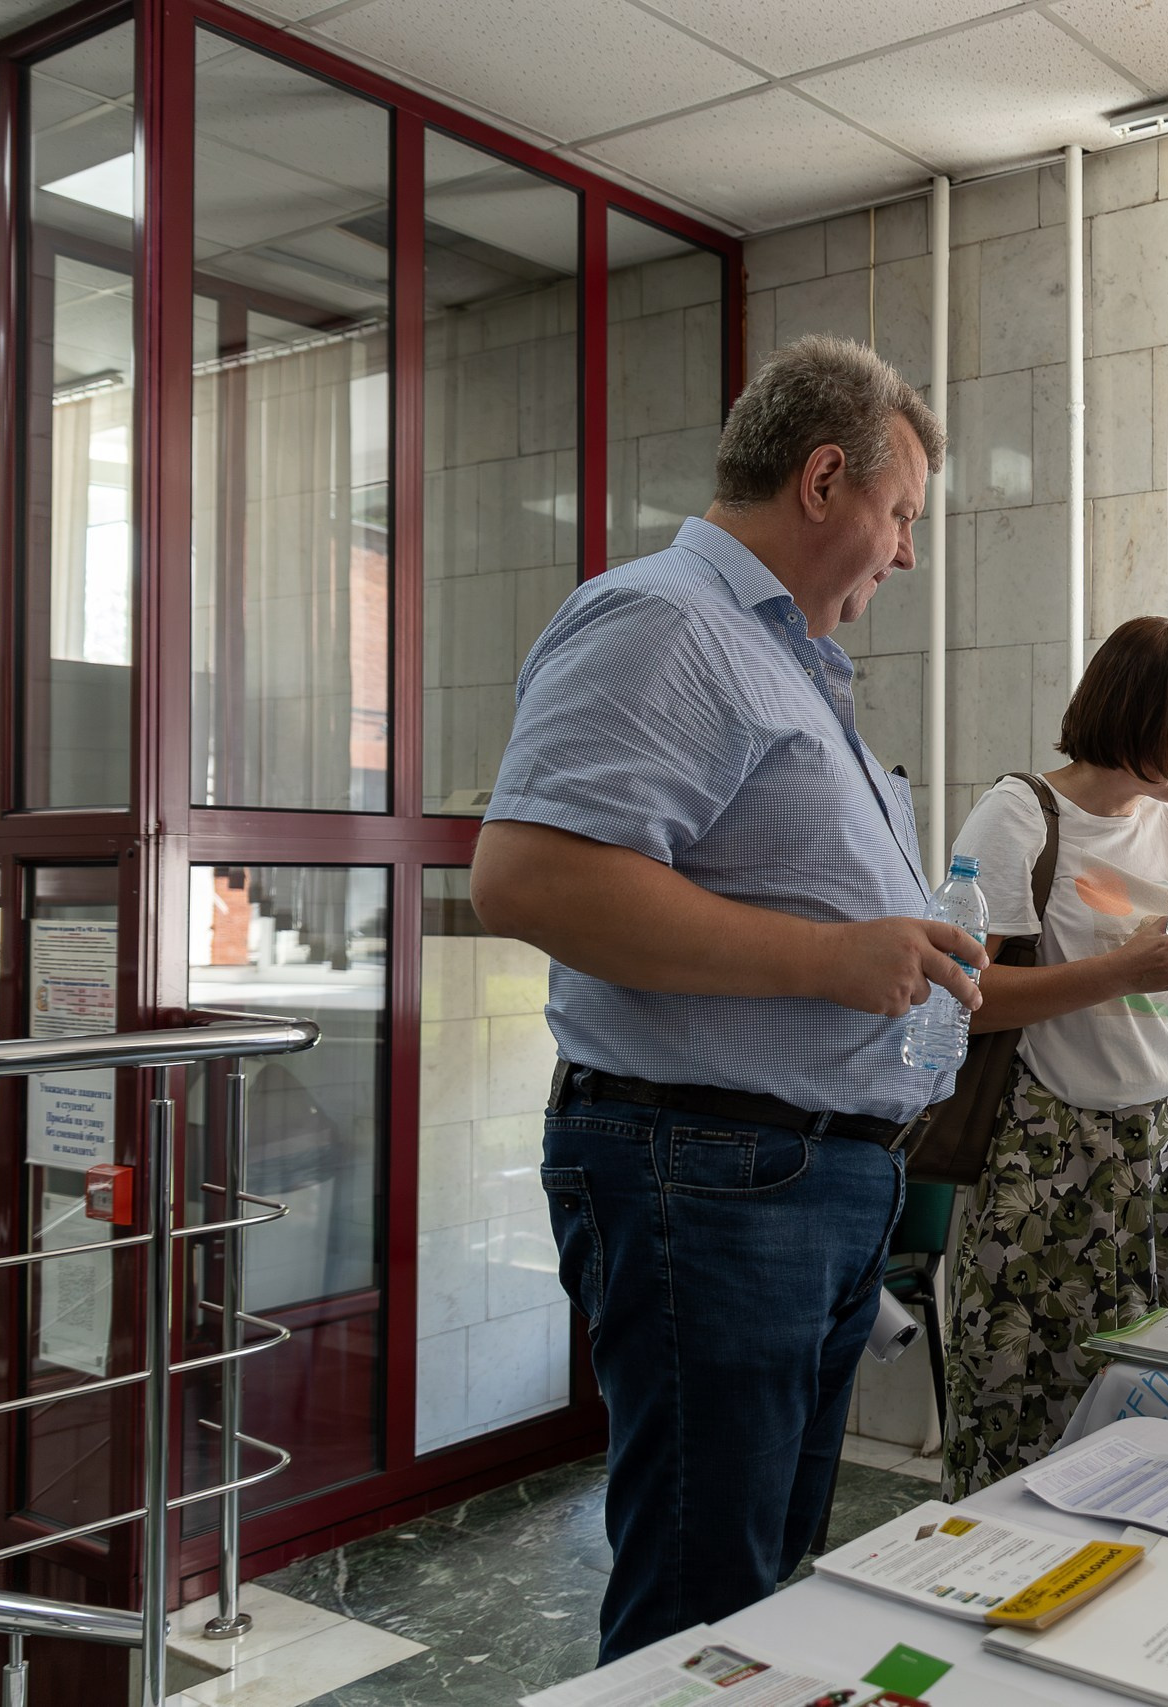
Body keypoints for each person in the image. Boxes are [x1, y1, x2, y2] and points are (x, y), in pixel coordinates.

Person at [468, 336, 979, 1661]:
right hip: (706, 1167)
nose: (907, 552)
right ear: (825, 481)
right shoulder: (666, 619)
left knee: (765, 1583)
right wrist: (828, 959)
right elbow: (526, 875)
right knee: (704, 1596)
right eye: (902, 514)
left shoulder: (793, 662)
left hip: (797, 1175)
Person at [939, 618, 1168, 1497]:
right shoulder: (1020, 815)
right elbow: (968, 995)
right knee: (1033, 1405)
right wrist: (1124, 969)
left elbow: (1165, 979)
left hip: (1165, 1147)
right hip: (1052, 1149)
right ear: (1145, 710)